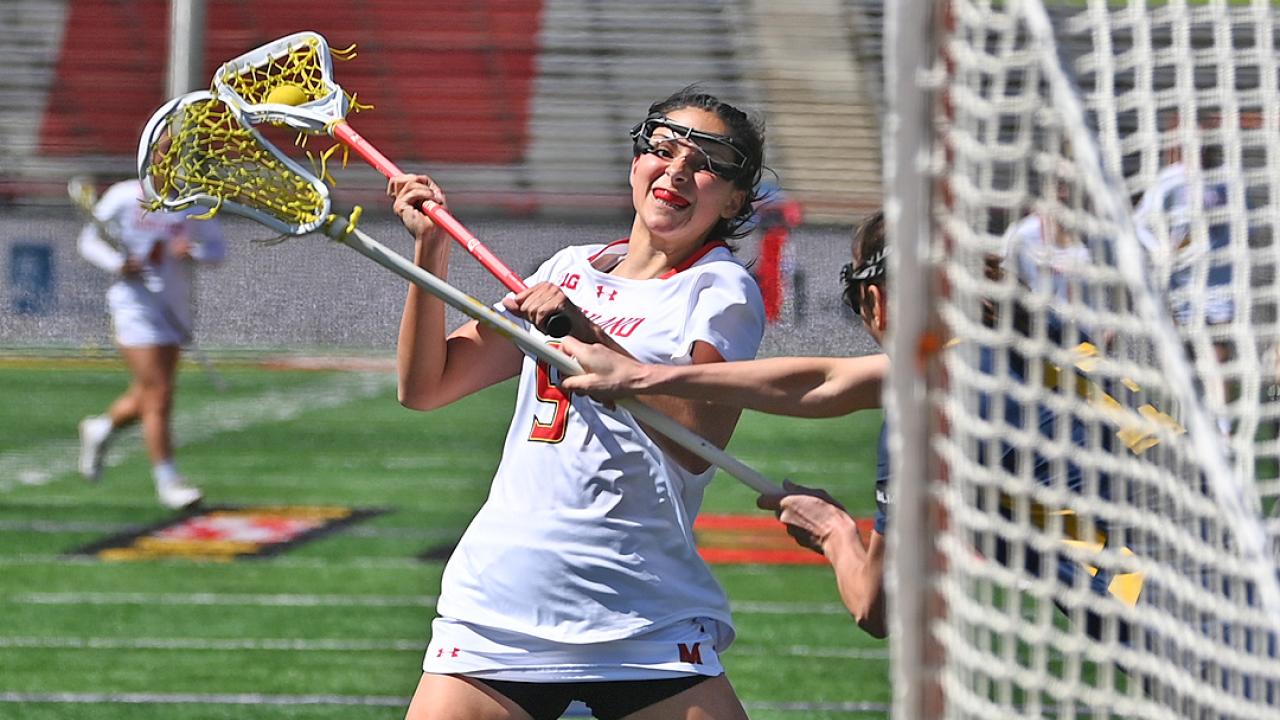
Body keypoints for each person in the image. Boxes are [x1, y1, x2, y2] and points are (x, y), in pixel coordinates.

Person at [391, 86, 768, 720]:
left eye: (704, 163)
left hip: (641, 615)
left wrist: (587, 332)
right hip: (500, 607)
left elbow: (697, 443)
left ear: (734, 198)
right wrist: (430, 250)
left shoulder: (720, 288)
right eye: (664, 150)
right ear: (635, 162)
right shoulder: (569, 267)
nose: (676, 171)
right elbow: (426, 385)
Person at [561, 211, 893, 638]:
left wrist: (835, 532)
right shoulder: (958, 370)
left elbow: (877, 606)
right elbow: (826, 383)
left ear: (875, 301)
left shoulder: (922, 415)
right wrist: (636, 375)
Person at [76, 177, 226, 510]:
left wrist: (194, 252)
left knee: (150, 394)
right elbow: (89, 241)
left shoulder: (194, 202)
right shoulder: (124, 196)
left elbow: (218, 249)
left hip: (173, 308)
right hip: (134, 307)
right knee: (158, 394)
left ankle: (101, 427)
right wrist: (118, 264)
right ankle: (168, 480)